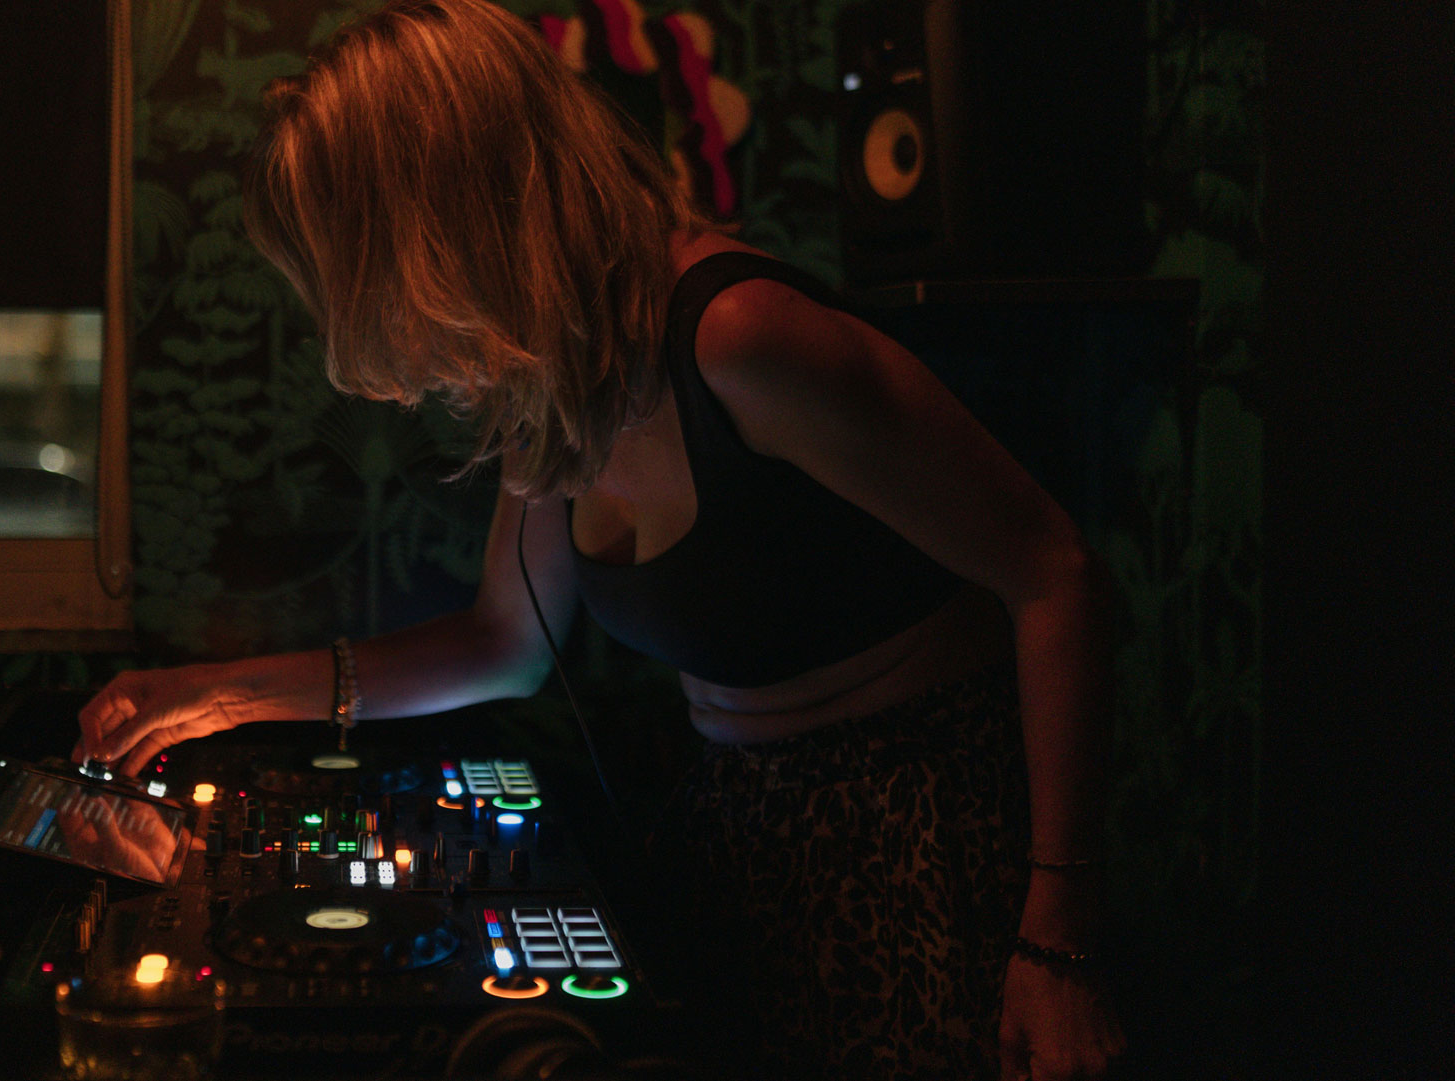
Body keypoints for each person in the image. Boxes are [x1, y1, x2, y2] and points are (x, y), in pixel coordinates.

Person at [76, 1, 1125, 1077]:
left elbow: (1057, 577)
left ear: (449, 221)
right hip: (741, 839)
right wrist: (218, 692)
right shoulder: (556, 374)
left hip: (922, 843)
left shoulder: (742, 339)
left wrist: (1058, 938)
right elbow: (502, 643)